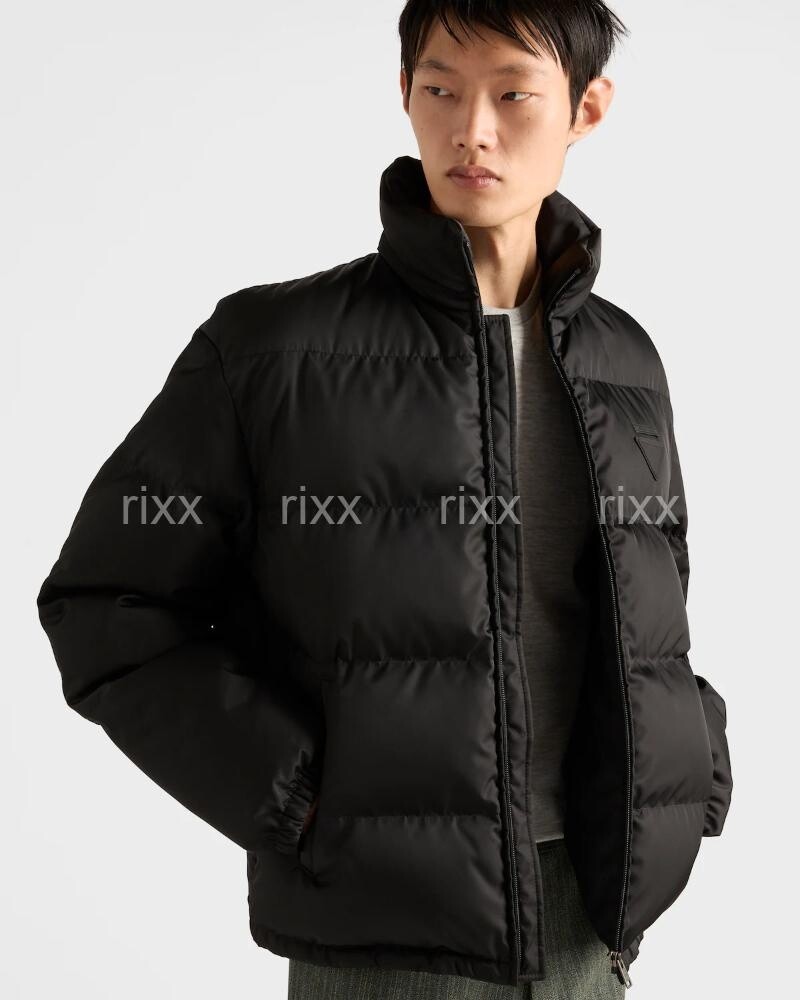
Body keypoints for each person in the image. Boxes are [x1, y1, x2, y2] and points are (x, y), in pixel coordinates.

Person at [36, 2, 733, 998]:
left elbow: (655, 601)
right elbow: (106, 601)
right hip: (382, 933)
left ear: (585, 109)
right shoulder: (273, 351)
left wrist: (693, 759)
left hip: (589, 909)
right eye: (440, 89)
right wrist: (291, 791)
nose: (471, 130)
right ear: (404, 93)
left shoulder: (623, 359)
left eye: (513, 94)